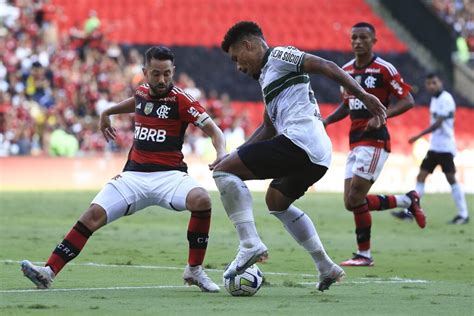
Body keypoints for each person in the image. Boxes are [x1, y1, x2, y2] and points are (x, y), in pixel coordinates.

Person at [20, 46, 226, 292]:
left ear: (173, 71)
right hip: (133, 176)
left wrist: (221, 153)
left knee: (202, 200)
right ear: (144, 72)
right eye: (156, 74)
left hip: (170, 177)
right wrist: (107, 111)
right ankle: (48, 272)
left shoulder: (182, 100)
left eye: (167, 74)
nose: (162, 80)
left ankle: (194, 270)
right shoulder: (141, 92)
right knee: (92, 215)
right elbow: (137, 102)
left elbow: (215, 131)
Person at [210, 21, 387, 292]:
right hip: (316, 154)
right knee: (276, 201)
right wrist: (235, 154)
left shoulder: (279, 56)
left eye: (237, 58)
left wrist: (362, 95)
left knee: (223, 173)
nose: (239, 67)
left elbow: (326, 65)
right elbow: (268, 128)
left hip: (299, 142)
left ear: (248, 45)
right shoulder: (269, 78)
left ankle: (249, 244)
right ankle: (325, 266)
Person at [323, 22, 426, 267]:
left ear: (374, 41)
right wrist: (326, 120)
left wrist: (382, 115)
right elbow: (347, 106)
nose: (358, 42)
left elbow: (407, 100)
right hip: (355, 140)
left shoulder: (383, 69)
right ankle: (407, 200)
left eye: (363, 38)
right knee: (350, 201)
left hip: (376, 139)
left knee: (357, 196)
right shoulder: (346, 70)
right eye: (354, 38)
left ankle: (364, 255)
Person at [392, 73, 469, 224]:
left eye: (434, 83)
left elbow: (439, 123)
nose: (431, 86)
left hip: (445, 147)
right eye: (428, 83)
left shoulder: (446, 99)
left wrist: (418, 135)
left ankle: (463, 214)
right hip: (435, 147)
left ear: (440, 82)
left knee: (451, 179)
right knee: (421, 177)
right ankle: (411, 211)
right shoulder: (435, 99)